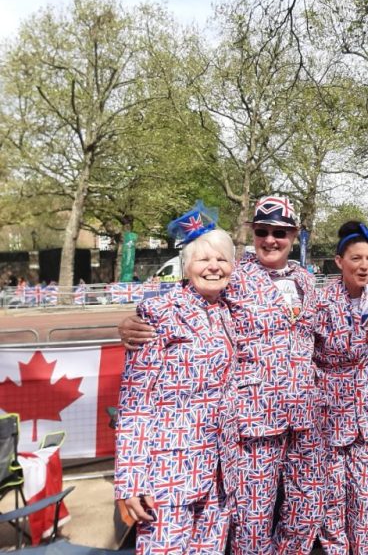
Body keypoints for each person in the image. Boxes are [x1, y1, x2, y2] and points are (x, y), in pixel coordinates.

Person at [118, 195, 324, 554]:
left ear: (294, 236)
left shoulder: (306, 280)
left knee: (307, 511)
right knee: (253, 522)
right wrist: (127, 326)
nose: (271, 239)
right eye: (263, 231)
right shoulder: (233, 273)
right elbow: (186, 294)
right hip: (253, 421)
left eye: (280, 232)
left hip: (303, 418)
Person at [114, 207, 239, 555]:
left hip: (219, 470)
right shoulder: (158, 313)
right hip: (167, 471)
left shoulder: (229, 311)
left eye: (221, 259)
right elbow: (135, 402)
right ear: (186, 265)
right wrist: (131, 479)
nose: (213, 266)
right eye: (203, 259)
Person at [314, 221, 368, 554]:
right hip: (330, 414)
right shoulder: (319, 301)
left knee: (365, 494)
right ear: (339, 262)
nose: (364, 266)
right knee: (333, 494)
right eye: (356, 259)